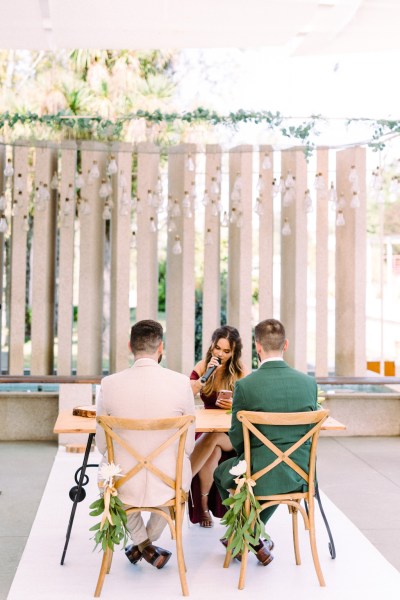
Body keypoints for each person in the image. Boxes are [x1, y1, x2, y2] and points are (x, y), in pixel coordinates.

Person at [214, 318, 318, 566]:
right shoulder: (309, 384)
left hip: (258, 473)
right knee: (273, 478)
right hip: (300, 474)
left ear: (257, 346)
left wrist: (249, 456)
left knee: (221, 473)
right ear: (286, 345)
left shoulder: (246, 386)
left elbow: (238, 439)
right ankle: (253, 536)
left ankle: (246, 535)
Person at [96, 319, 196, 570]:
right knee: (181, 470)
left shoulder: (109, 385)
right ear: (160, 347)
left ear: (130, 346)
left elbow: (101, 444)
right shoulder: (181, 382)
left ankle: (141, 542)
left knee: (108, 472)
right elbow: (189, 447)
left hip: (123, 482)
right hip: (168, 482)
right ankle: (147, 544)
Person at [189, 325, 249, 528]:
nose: (221, 354)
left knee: (213, 439)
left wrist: (235, 405)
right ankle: (204, 504)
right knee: (212, 448)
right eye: (218, 348)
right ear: (212, 346)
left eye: (226, 351)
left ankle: (182, 483)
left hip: (230, 433)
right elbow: (186, 394)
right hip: (206, 428)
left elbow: (248, 408)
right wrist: (207, 373)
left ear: (234, 352)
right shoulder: (203, 365)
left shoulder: (240, 372)